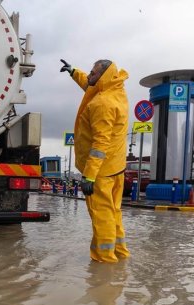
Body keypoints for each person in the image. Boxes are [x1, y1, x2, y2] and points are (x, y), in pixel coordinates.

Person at [60, 59, 130, 263]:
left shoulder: (102, 104)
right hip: (116, 166)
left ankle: (105, 261)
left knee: (102, 216)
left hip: (100, 172)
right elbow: (90, 84)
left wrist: (89, 176)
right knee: (114, 212)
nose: (89, 75)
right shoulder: (116, 90)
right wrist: (74, 72)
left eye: (93, 73)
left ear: (103, 77)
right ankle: (120, 253)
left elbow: (100, 144)